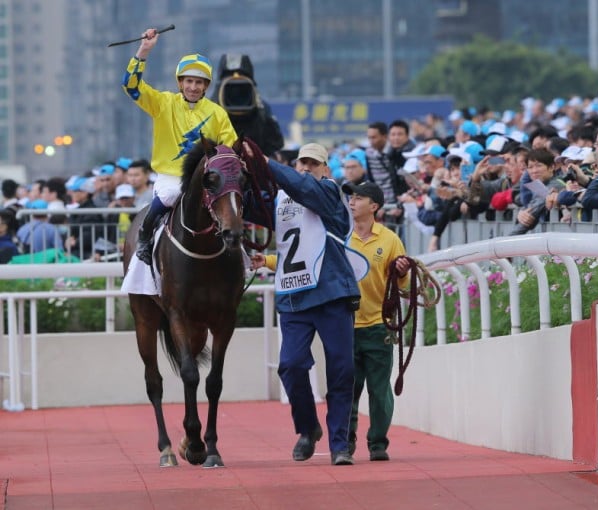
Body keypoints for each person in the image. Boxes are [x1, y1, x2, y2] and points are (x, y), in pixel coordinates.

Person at [247, 143, 361, 466]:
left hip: (331, 294)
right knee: (291, 365)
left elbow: (302, 187)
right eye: (303, 163)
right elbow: (246, 202)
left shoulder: (328, 193)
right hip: (294, 297)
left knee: (341, 371)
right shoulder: (282, 198)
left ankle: (340, 444)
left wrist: (266, 161)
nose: (307, 168)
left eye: (315, 163)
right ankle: (308, 427)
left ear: (326, 170)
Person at [122, 28, 237, 265]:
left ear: (206, 86)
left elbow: (229, 148)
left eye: (199, 83)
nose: (193, 87)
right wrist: (144, 51)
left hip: (208, 179)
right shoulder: (163, 103)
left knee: (233, 201)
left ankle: (240, 252)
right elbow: (131, 87)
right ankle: (144, 236)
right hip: (172, 176)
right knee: (171, 193)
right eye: (189, 81)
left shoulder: (217, 113)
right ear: (180, 82)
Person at [341, 180, 410, 461]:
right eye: (352, 197)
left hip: (378, 326)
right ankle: (345, 441)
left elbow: (403, 282)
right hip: (344, 327)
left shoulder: (391, 239)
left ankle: (378, 443)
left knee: (379, 391)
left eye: (359, 198)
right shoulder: (340, 235)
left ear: (374, 206)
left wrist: (403, 270)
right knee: (346, 391)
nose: (352, 202)